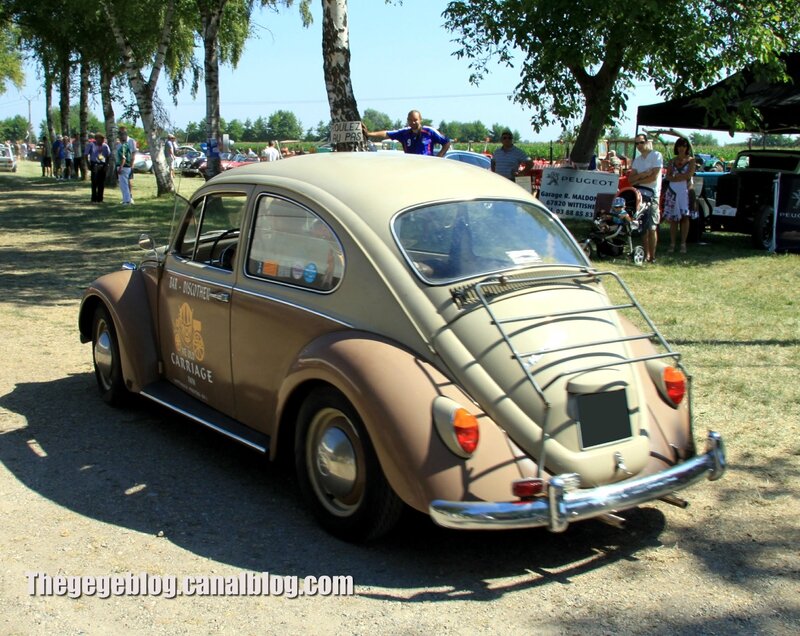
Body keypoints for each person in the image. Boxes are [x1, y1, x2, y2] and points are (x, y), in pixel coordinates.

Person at [627, 133, 663, 263]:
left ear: (647, 142)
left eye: (641, 142)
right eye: (636, 143)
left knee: (652, 226)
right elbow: (631, 180)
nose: (639, 146)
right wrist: (643, 174)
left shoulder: (656, 156)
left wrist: (640, 178)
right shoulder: (637, 160)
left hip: (653, 194)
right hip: (640, 195)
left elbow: (654, 177)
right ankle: (646, 254)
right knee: (642, 226)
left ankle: (652, 256)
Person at [364, 110, 451, 156]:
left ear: (420, 119)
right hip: (410, 166)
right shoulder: (404, 133)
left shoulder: (429, 131)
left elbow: (446, 142)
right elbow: (386, 133)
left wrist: (439, 156)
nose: (413, 122)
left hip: (426, 167)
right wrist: (369, 134)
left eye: (415, 120)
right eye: (410, 120)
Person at [663, 136, 696, 254]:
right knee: (673, 219)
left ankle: (683, 243)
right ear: (676, 147)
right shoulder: (672, 161)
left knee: (685, 218)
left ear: (687, 148)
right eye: (680, 146)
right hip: (673, 191)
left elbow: (689, 174)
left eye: (684, 146)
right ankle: (672, 243)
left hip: (686, 191)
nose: (682, 148)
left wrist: (676, 178)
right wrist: (675, 178)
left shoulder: (691, 160)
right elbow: (667, 176)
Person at [86, 133, 111, 203]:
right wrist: (88, 164)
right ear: (96, 139)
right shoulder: (91, 145)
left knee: (101, 182)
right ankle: (93, 198)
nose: (102, 141)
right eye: (101, 139)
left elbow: (108, 156)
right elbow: (86, 155)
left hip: (102, 164)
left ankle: (100, 198)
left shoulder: (105, 146)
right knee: (94, 182)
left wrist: (106, 165)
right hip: (95, 164)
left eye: (103, 139)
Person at [118, 127, 137, 203]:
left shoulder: (131, 141)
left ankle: (130, 197)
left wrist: (132, 164)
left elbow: (133, 153)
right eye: (120, 133)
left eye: (123, 133)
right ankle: (126, 197)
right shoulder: (119, 142)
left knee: (129, 180)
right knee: (123, 182)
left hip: (128, 164)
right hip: (122, 164)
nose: (121, 135)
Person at [116, 131, 134, 205]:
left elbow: (124, 158)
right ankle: (125, 199)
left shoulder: (123, 146)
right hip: (126, 167)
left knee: (124, 184)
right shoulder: (127, 145)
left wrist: (120, 167)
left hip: (124, 167)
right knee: (124, 184)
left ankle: (127, 200)